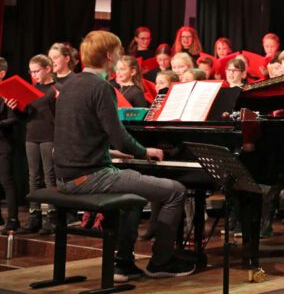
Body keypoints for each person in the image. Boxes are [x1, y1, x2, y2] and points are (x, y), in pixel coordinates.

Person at [54, 30, 195, 280]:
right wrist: (144, 151)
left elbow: (76, 135)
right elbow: (119, 136)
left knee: (134, 196)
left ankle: (123, 264)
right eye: (119, 52)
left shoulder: (69, 84)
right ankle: (161, 262)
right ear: (110, 55)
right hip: (92, 176)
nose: (120, 57)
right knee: (175, 191)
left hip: (65, 176)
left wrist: (110, 151)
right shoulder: (101, 87)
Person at [15, 55, 59, 235]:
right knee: (33, 177)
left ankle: (51, 219)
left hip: (49, 136)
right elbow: (25, 116)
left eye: (37, 71)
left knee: (49, 177)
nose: (34, 75)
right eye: (31, 72)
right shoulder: (31, 88)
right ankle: (34, 217)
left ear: (48, 69)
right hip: (31, 135)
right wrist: (16, 107)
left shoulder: (56, 89)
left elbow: (60, 117)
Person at [0, 57, 20, 234]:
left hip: (3, 143)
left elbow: (13, 119)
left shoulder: (8, 92)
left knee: (7, 181)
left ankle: (13, 219)